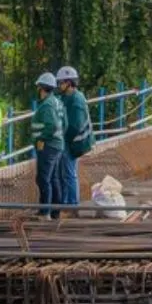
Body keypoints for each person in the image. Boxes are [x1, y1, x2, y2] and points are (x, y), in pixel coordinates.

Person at [56, 66, 92, 212]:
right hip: (67, 141)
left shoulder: (76, 99)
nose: (59, 86)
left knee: (70, 173)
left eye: (61, 83)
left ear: (69, 83)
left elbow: (75, 126)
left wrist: (63, 137)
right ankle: (66, 202)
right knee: (65, 172)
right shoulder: (66, 97)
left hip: (73, 142)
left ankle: (72, 204)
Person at [30, 73, 65, 218]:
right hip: (57, 145)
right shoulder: (57, 102)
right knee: (53, 178)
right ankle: (55, 211)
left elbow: (50, 126)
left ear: (42, 88)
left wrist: (41, 139)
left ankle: (45, 212)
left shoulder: (47, 105)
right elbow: (65, 124)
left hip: (48, 146)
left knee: (43, 178)